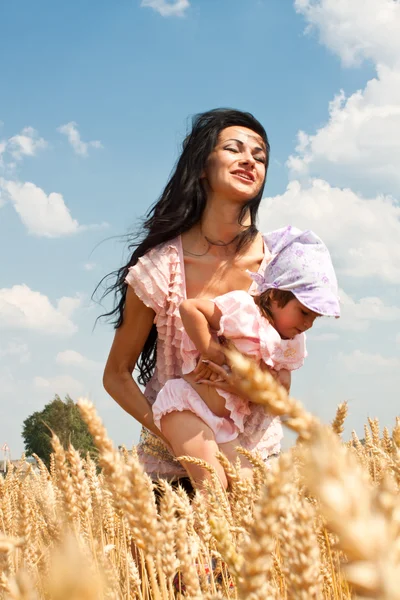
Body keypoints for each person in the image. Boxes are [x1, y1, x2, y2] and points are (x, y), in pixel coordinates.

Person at [102, 108, 289, 490]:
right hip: (174, 474)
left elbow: (283, 379)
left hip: (256, 467)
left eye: (260, 156)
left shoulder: (280, 266)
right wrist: (174, 430)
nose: (249, 160)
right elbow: (116, 375)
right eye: (234, 149)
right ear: (202, 167)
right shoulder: (159, 270)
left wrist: (245, 388)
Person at [151, 226, 340, 488]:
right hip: (187, 406)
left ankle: (202, 530)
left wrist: (250, 387)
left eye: (315, 317)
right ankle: (192, 528)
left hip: (227, 426)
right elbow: (190, 307)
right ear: (274, 295)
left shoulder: (289, 346)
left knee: (246, 487)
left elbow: (276, 396)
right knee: (212, 484)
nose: (308, 324)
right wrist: (210, 349)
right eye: (304, 312)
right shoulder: (244, 312)